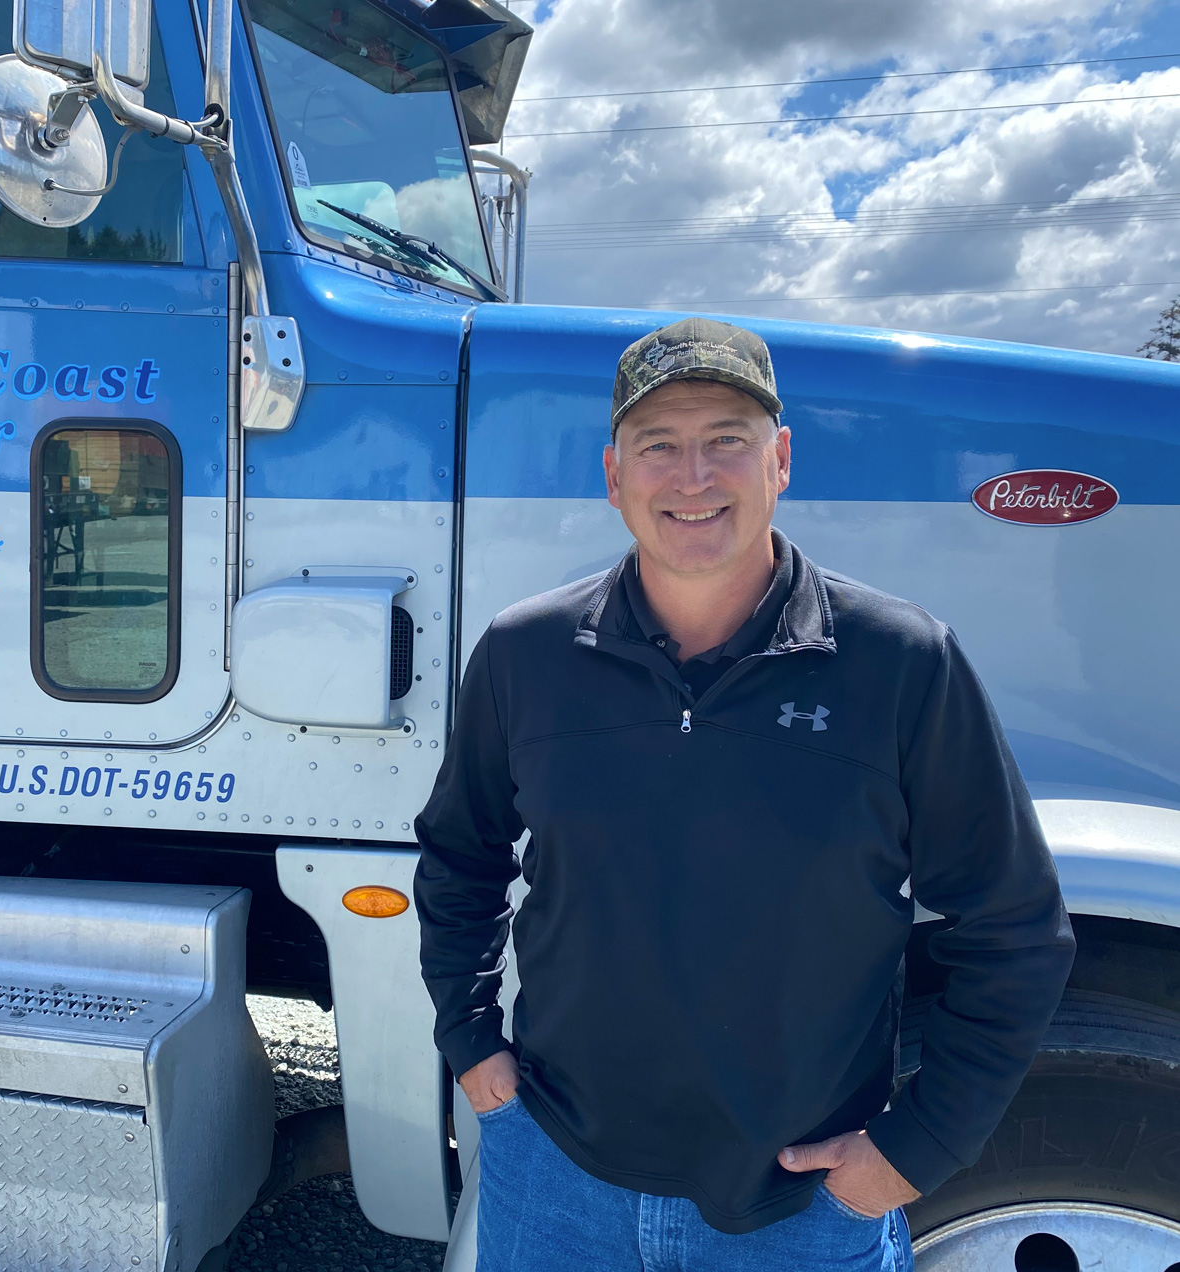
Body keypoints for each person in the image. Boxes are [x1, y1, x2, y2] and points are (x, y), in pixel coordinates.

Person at [413, 317, 1075, 1271]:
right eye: (659, 446)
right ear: (613, 476)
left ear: (781, 462)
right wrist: (472, 1040)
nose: (694, 477)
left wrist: (911, 1154)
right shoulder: (528, 656)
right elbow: (460, 853)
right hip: (557, 1179)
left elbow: (1016, 930)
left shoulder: (901, 665)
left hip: (799, 1212)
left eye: (727, 440)